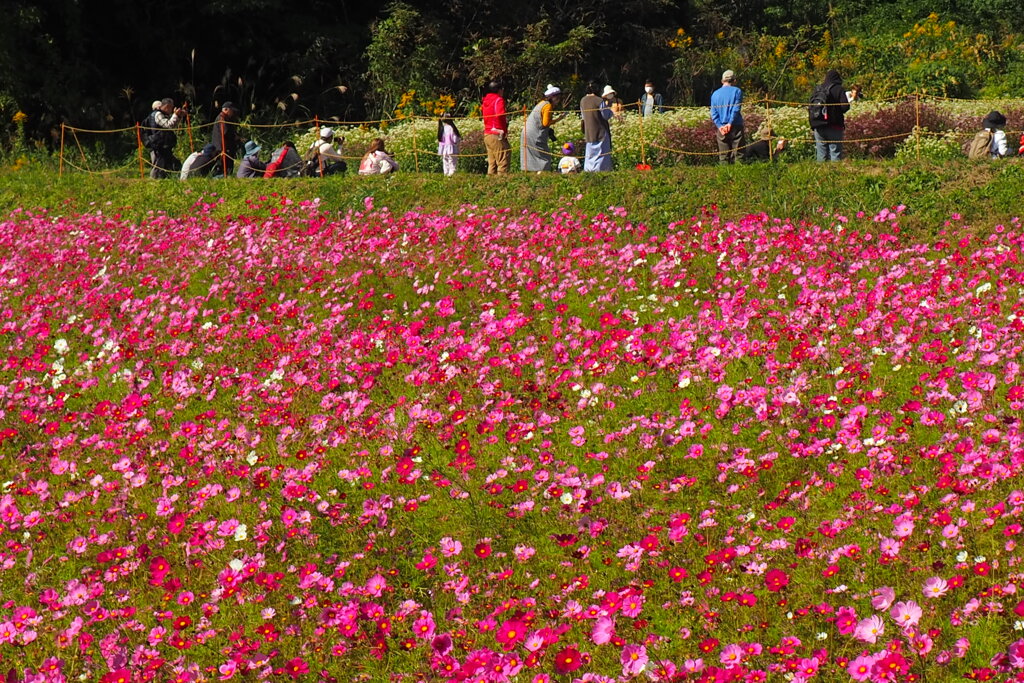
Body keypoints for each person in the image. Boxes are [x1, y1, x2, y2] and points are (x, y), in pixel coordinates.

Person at [809, 70, 850, 162]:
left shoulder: (818, 89)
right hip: (834, 125)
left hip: (818, 124)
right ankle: (835, 174)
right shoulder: (838, 89)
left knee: (821, 154)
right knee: (835, 153)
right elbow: (845, 107)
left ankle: (821, 174)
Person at [521, 84, 564, 172]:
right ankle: (542, 173)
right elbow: (545, 123)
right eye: (558, 98)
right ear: (553, 97)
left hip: (527, 132)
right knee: (544, 156)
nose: (559, 101)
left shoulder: (541, 103)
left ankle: (532, 174)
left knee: (530, 156)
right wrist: (559, 119)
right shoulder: (548, 106)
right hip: (535, 134)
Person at [142, 98, 185, 179]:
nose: (172, 110)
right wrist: (175, 115)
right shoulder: (158, 114)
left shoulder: (162, 114)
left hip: (161, 144)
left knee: (168, 164)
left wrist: (178, 116)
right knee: (157, 166)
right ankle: (152, 183)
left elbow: (172, 126)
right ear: (167, 106)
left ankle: (161, 180)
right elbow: (168, 125)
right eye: (171, 107)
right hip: (157, 145)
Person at [710, 69, 744, 164]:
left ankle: (723, 176)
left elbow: (713, 113)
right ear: (734, 81)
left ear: (722, 81)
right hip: (736, 125)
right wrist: (730, 123)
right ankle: (740, 176)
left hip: (721, 128)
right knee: (739, 154)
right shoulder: (737, 91)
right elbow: (736, 109)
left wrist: (720, 126)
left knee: (724, 156)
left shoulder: (715, 94)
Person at [580, 82, 613, 171]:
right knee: (602, 154)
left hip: (588, 131)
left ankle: (589, 171)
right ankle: (601, 172)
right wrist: (610, 108)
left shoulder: (582, 100)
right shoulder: (599, 100)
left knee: (590, 154)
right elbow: (606, 115)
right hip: (601, 131)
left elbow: (582, 116)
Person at [482, 80, 510, 175]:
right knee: (503, 160)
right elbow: (500, 114)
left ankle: (490, 184)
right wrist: (504, 129)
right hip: (496, 133)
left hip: (487, 133)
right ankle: (502, 184)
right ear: (499, 90)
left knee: (492, 163)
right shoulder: (499, 100)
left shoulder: (485, 100)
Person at [210, 101, 241, 177]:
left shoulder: (224, 118)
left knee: (227, 168)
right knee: (223, 169)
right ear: (227, 110)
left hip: (223, 148)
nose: (233, 113)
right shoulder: (222, 118)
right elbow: (225, 132)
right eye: (232, 111)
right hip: (222, 148)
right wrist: (235, 137)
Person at [437, 112, 461, 177]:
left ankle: (446, 174)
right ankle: (451, 175)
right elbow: (455, 139)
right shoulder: (451, 128)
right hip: (452, 148)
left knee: (445, 162)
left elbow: (440, 140)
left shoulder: (441, 128)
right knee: (452, 163)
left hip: (444, 149)